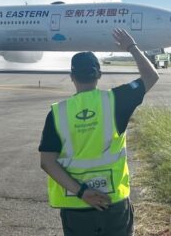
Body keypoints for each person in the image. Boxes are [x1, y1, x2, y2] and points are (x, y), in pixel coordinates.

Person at [39, 28, 160, 236]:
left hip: (77, 205)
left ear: (71, 77)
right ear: (99, 75)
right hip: (113, 203)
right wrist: (131, 47)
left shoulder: (57, 113)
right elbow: (151, 76)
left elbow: (47, 162)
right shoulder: (117, 100)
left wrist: (83, 192)